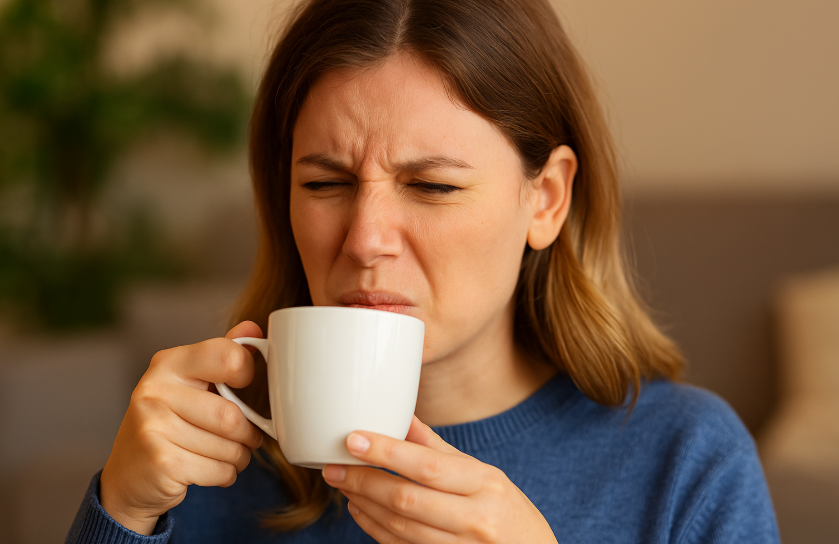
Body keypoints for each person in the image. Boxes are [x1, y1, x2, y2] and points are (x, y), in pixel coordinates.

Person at [66, 0, 780, 542]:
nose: (365, 239)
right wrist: (122, 510)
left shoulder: (684, 462)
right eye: (324, 184)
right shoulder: (208, 463)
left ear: (548, 198)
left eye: (432, 186)